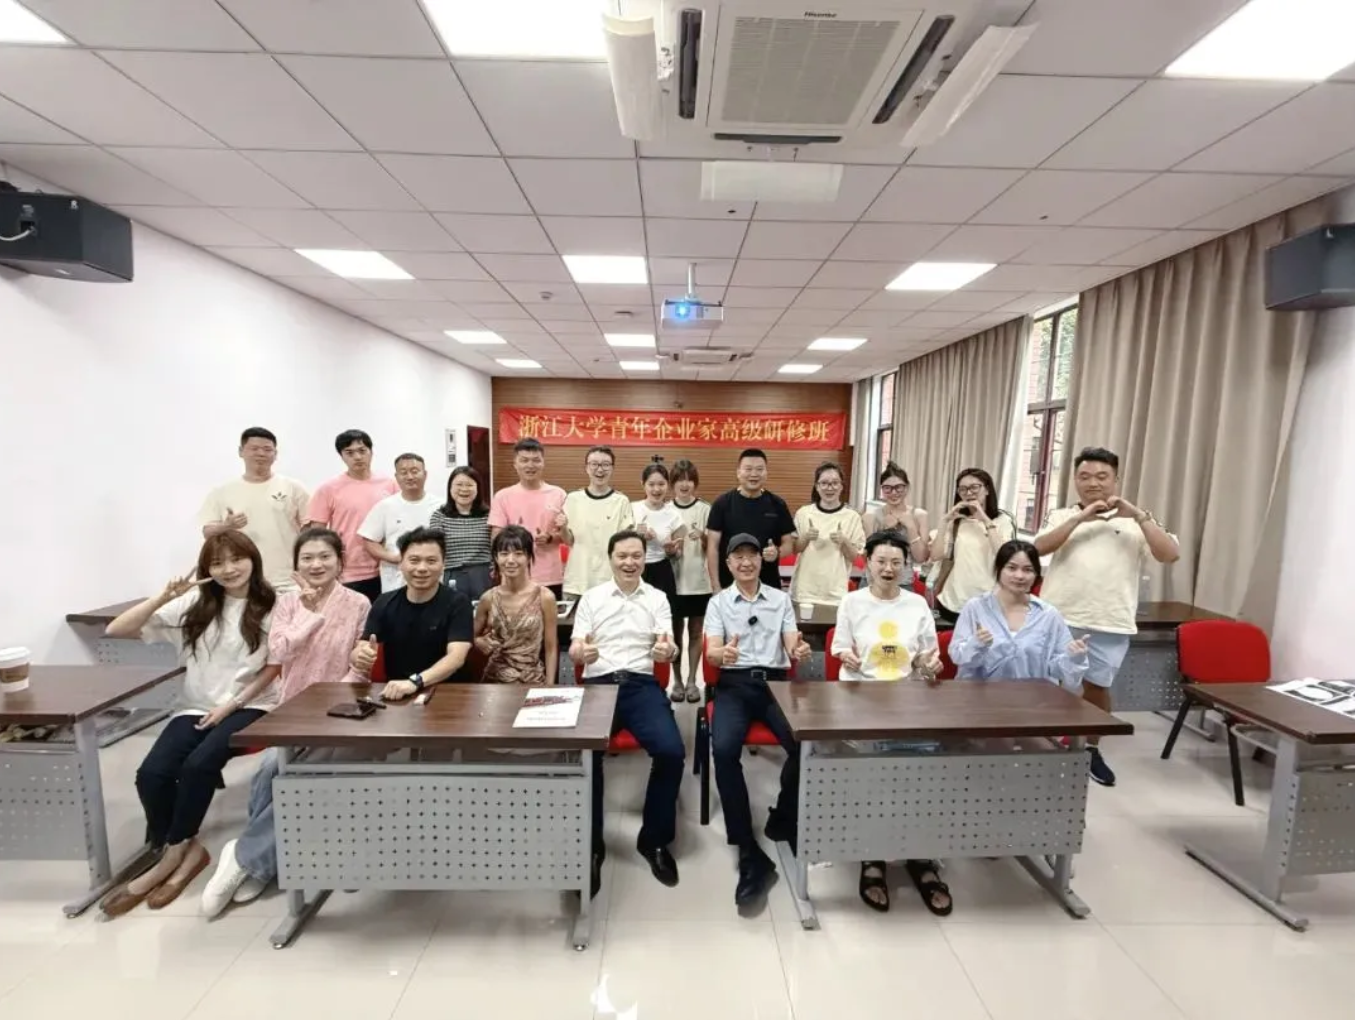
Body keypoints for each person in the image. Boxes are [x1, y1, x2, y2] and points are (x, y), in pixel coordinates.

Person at [99, 532, 281, 917]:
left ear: (253, 559)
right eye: (217, 562)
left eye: (237, 559)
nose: (228, 569)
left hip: (252, 704)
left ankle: (169, 859)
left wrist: (232, 705)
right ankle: (184, 848)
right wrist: (162, 597)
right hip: (194, 707)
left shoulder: (272, 604)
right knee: (152, 774)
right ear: (206, 569)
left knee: (199, 765)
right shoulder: (196, 603)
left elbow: (274, 667)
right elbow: (116, 630)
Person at [200, 527, 369, 917]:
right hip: (291, 711)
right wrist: (309, 613)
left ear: (340, 561)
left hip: (337, 711)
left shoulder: (359, 603)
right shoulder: (288, 602)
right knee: (268, 772)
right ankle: (264, 860)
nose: (316, 564)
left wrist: (331, 703)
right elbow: (279, 652)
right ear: (296, 565)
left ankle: (246, 858)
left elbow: (359, 668)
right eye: (307, 558)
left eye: (324, 557)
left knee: (304, 777)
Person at [1034, 447, 1180, 787]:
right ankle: (1043, 744)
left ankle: (1090, 748)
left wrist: (1139, 516)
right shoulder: (1061, 515)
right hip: (1058, 616)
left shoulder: (1137, 521)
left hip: (1110, 619)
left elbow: (1170, 554)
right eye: (1084, 477)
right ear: (1075, 480)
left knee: (1097, 686)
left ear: (1116, 479)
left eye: (1102, 476)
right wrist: (1079, 520)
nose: (1093, 483)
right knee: (1047, 683)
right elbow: (1037, 548)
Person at [831, 529, 945, 915]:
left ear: (906, 566)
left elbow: (927, 657)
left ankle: (920, 855)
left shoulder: (917, 604)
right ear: (867, 562)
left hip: (908, 699)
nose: (888, 568)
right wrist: (846, 656)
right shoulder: (852, 601)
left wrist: (929, 665)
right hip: (862, 698)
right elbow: (839, 646)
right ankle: (873, 856)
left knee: (920, 780)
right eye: (881, 561)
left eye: (896, 562)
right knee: (874, 781)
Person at [570, 530, 684, 896]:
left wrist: (669, 652)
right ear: (610, 559)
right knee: (586, 754)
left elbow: (668, 644)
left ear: (645, 559)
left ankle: (654, 840)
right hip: (599, 685)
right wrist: (580, 654)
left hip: (641, 685)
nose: (630, 562)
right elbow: (575, 647)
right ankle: (591, 846)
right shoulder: (592, 598)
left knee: (672, 751)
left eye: (637, 555)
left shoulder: (658, 598)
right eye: (622, 556)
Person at [704, 533, 813, 910]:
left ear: (761, 561)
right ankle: (747, 848)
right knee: (723, 749)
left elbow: (792, 644)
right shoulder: (718, 603)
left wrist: (798, 649)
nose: (746, 562)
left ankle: (783, 815)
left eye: (752, 555)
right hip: (734, 685)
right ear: (729, 564)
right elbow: (712, 654)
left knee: (805, 745)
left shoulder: (780, 599)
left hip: (775, 685)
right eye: (738, 556)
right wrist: (721, 655)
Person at [348, 526, 475, 698]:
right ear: (401, 563)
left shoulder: (458, 603)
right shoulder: (384, 602)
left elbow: (456, 657)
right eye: (414, 560)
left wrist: (415, 682)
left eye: (431, 561)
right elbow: (362, 648)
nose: (422, 568)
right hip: (397, 693)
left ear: (443, 564)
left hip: (448, 694)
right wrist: (360, 656)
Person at [949, 540, 1089, 690]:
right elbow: (957, 656)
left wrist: (1074, 658)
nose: (1019, 576)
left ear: (1036, 574)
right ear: (999, 569)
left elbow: (1058, 669)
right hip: (979, 697)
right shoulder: (976, 608)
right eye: (1012, 568)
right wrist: (975, 644)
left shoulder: (1048, 615)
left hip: (1033, 698)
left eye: (1028, 570)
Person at [197, 426, 309, 592]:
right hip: (242, 581)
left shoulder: (294, 487)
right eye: (254, 448)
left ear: (275, 454)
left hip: (288, 579)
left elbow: (310, 531)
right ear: (241, 451)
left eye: (267, 449)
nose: (261, 453)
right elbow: (207, 533)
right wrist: (227, 526)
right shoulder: (222, 492)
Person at [306, 429, 398, 601]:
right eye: (349, 453)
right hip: (348, 572)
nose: (357, 457)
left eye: (362, 451)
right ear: (341, 456)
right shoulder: (329, 489)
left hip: (387, 568)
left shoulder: (390, 484)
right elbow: (317, 534)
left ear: (371, 452)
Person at [930, 468, 1016, 626]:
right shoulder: (957, 521)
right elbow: (936, 556)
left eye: (974, 487)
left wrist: (984, 519)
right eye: (963, 489)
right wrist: (944, 522)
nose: (968, 493)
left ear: (987, 489)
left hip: (988, 602)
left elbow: (1005, 556)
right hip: (953, 600)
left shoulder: (1003, 520)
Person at [474, 525, 558, 685]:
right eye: (504, 554)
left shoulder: (545, 597)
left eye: (518, 554)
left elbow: (551, 647)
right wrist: (478, 641)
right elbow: (469, 637)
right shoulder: (488, 598)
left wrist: (550, 686)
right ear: (496, 558)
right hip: (494, 682)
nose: (510, 560)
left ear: (529, 557)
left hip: (532, 680)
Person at [706, 448, 796, 593]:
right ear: (738, 472)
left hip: (768, 586)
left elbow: (788, 545)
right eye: (748, 469)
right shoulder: (722, 504)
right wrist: (715, 585)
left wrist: (777, 552)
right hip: (729, 586)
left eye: (759, 469)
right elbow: (712, 548)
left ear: (766, 473)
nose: (754, 474)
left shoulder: (778, 504)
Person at [489, 437, 567, 598]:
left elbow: (568, 536)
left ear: (543, 463)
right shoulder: (502, 496)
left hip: (551, 576)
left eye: (536, 460)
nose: (530, 465)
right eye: (524, 460)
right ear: (515, 464)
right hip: (514, 575)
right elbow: (496, 539)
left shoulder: (558, 494)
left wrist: (550, 538)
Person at [358, 453, 443, 593]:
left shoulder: (440, 505)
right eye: (403, 472)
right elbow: (369, 540)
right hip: (395, 578)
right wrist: (393, 557)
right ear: (397, 477)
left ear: (425, 474)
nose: (410, 477)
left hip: (432, 575)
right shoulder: (385, 506)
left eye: (414, 471)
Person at [560, 445, 633, 602]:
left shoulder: (621, 501)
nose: (600, 469)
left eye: (605, 464)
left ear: (612, 468)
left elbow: (625, 544)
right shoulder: (573, 499)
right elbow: (568, 541)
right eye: (594, 464)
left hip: (611, 582)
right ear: (586, 467)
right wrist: (562, 527)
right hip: (577, 582)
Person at [790, 461, 865, 609]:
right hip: (804, 591)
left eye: (835, 483)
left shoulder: (852, 516)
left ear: (842, 486)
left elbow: (855, 557)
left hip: (835, 593)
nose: (829, 488)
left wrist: (844, 541)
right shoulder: (803, 513)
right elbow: (794, 549)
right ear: (817, 486)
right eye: (824, 483)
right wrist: (806, 537)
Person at [669, 458, 711, 703]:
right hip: (672, 581)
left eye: (689, 480)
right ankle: (676, 681)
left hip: (699, 582)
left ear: (695, 483)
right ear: (672, 484)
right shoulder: (665, 509)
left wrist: (703, 536)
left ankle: (693, 680)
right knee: (674, 635)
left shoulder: (705, 509)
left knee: (696, 633)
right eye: (679, 480)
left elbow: (715, 546)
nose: (684, 485)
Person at [428, 466, 493, 600]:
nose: (464, 489)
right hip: (453, 573)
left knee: (484, 611)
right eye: (459, 485)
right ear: (450, 488)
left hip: (483, 574)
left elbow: (496, 545)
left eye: (469, 485)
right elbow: (435, 548)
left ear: (478, 488)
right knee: (455, 610)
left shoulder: (489, 515)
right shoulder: (439, 516)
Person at [631, 458, 685, 618]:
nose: (656, 489)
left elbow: (678, 554)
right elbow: (619, 541)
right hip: (634, 569)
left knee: (662, 619)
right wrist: (637, 537)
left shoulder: (674, 515)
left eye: (661, 484)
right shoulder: (632, 508)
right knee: (635, 618)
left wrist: (671, 551)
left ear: (668, 485)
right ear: (643, 484)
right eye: (651, 484)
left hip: (662, 571)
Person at [861, 462, 929, 571]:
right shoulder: (870, 517)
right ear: (882, 490)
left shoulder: (920, 515)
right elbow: (866, 558)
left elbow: (921, 558)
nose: (893, 492)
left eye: (899, 487)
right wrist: (885, 531)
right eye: (887, 488)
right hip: (875, 577)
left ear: (907, 488)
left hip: (905, 578)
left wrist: (911, 527)